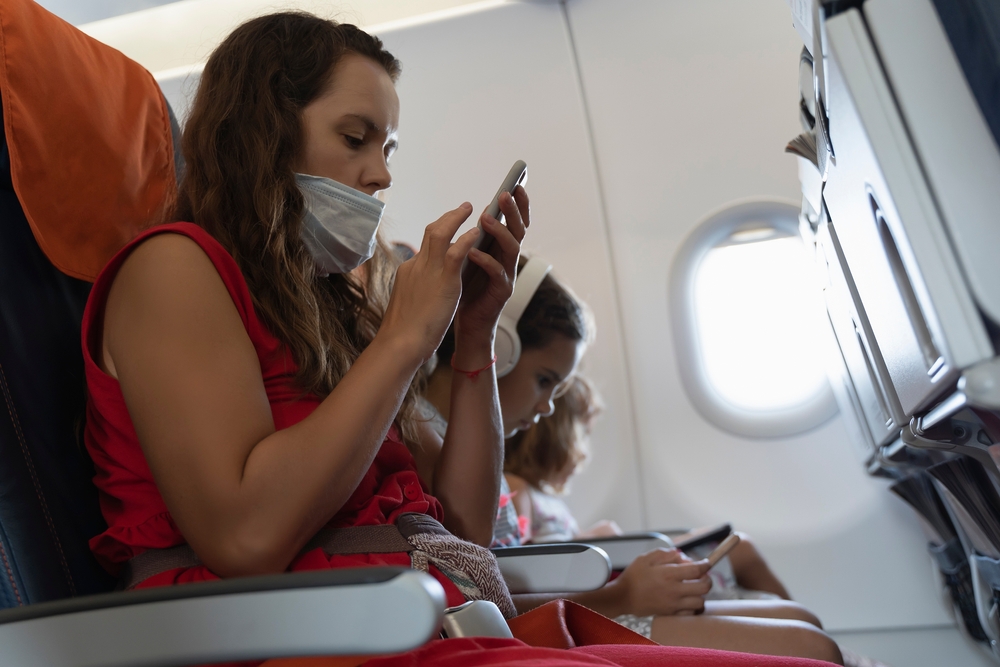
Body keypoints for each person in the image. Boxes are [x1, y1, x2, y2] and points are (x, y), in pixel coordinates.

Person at [79, 11, 837, 667]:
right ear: (263, 134)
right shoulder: (174, 270)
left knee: (811, 650)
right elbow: (245, 538)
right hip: (310, 638)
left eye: (388, 149)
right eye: (355, 137)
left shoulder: (322, 308)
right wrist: (403, 340)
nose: (379, 175)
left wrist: (471, 337)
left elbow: (468, 527)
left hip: (424, 623)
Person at [421, 259, 842, 664]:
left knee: (802, 621)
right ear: (501, 349)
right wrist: (622, 596)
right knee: (811, 644)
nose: (548, 406)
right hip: (552, 621)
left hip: (566, 609)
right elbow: (477, 597)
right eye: (544, 380)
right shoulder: (429, 446)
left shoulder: (467, 452)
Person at [505, 374, 792, 601]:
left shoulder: (550, 500)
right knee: (742, 550)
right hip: (603, 580)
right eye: (583, 436)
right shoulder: (518, 488)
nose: (584, 453)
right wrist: (589, 537)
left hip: (607, 570)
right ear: (556, 436)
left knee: (740, 546)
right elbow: (524, 557)